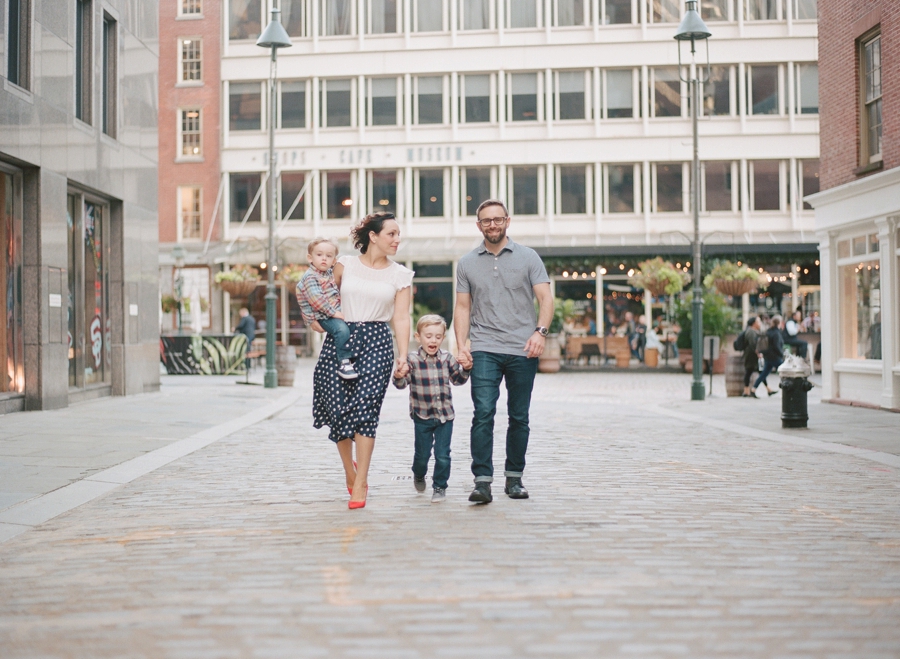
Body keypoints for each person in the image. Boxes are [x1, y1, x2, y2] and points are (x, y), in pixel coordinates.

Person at [311, 212, 413, 510]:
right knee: (338, 408)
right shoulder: (344, 264)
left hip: (377, 342)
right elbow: (323, 294)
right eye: (391, 234)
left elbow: (402, 317)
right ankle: (349, 470)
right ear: (373, 236)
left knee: (366, 409)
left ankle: (360, 482)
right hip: (341, 338)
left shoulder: (400, 275)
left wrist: (402, 356)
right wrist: (316, 320)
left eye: (398, 234)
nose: (397, 239)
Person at [454, 199, 553, 504]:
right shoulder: (467, 262)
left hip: (523, 348)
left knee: (518, 416)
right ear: (478, 225)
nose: (493, 225)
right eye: (487, 221)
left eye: (498, 219)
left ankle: (514, 478)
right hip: (484, 347)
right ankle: (482, 481)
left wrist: (540, 333)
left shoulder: (528, 257)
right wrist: (461, 346)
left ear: (508, 221)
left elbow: (545, 300)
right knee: (483, 413)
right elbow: (462, 306)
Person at [393, 314, 471, 503]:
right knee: (422, 455)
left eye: (437, 336)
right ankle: (419, 474)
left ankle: (439, 486)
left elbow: (458, 380)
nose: (433, 340)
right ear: (418, 337)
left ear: (442, 338)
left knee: (443, 455)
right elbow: (402, 385)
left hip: (445, 416)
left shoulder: (447, 359)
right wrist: (398, 376)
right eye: (428, 336)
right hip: (422, 416)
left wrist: (466, 369)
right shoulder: (412, 360)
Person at [296, 238, 357, 380]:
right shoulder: (311, 277)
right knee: (341, 330)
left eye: (329, 256)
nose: (324, 258)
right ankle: (344, 362)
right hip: (324, 315)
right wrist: (334, 313)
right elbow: (317, 300)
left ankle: (349, 355)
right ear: (310, 258)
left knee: (350, 327)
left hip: (333, 311)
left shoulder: (328, 273)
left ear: (334, 260)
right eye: (319, 255)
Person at [751, 314, 785, 397]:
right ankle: (788, 389)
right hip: (775, 357)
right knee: (785, 373)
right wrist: (782, 354)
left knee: (764, 374)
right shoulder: (776, 333)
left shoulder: (768, 331)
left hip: (767, 356)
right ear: (779, 323)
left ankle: (753, 389)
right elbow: (776, 346)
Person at [741, 316, 762, 398]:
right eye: (758, 322)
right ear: (754, 323)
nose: (760, 324)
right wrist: (757, 353)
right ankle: (747, 390)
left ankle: (747, 391)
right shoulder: (751, 332)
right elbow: (753, 344)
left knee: (757, 371)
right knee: (752, 371)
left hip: (751, 354)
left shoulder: (752, 331)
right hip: (751, 355)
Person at [233, 307, 256, 371]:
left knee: (245, 350)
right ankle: (248, 364)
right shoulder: (252, 318)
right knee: (248, 350)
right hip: (251, 336)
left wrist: (235, 329)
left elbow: (241, 326)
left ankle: (245, 364)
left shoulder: (244, 318)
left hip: (246, 336)